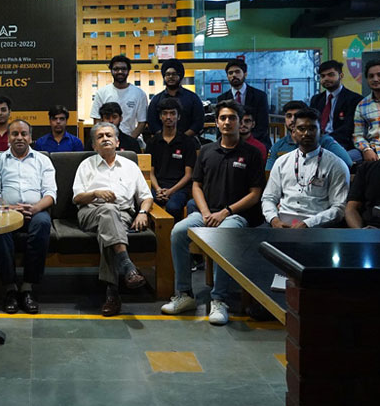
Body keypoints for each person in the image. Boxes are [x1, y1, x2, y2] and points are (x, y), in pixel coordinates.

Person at [161, 100, 264, 326]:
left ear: (240, 122)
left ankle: (219, 299)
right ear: (216, 122)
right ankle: (184, 294)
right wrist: (206, 211)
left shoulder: (252, 153)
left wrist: (226, 212)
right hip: (206, 213)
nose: (227, 122)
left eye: (232, 118)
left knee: (223, 235)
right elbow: (196, 185)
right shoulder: (207, 151)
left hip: (236, 216)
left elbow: (255, 194)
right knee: (178, 231)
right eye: (223, 118)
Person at [73, 122, 153, 317]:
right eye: (100, 137)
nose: (105, 139)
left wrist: (143, 212)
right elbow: (77, 198)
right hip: (90, 212)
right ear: (94, 145)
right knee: (108, 212)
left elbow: (146, 197)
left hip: (123, 214)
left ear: (117, 142)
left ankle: (113, 293)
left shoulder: (130, 166)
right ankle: (127, 266)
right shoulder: (86, 165)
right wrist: (95, 193)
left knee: (108, 226)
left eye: (109, 135)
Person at [0, 119, 55, 314]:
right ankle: (10, 288)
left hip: (36, 211)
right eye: (15, 134)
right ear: (8, 138)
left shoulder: (43, 160)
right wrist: (10, 208)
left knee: (43, 224)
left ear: (30, 138)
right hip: (7, 212)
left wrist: (35, 208)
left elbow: (50, 194)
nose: (19, 137)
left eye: (24, 134)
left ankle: (27, 287)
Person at [261, 108, 350, 228]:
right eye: (301, 129)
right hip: (281, 223)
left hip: (318, 226)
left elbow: (339, 208)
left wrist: (308, 224)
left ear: (321, 131)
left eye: (312, 128)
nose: (306, 133)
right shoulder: (282, 162)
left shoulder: (336, 165)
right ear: (293, 132)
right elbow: (268, 198)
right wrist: (274, 220)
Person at [146, 98, 198, 218]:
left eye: (172, 113)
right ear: (160, 117)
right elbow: (150, 172)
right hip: (157, 187)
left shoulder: (187, 142)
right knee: (147, 202)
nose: (168, 117)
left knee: (173, 207)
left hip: (179, 188)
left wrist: (171, 191)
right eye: (165, 113)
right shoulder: (153, 142)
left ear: (178, 117)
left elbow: (188, 175)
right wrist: (158, 189)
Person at [266, 101, 353, 171]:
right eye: (289, 116)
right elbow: (269, 172)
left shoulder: (324, 141)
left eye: (296, 116)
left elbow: (347, 162)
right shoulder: (278, 146)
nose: (292, 120)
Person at [309, 60, 362, 162]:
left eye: (331, 75)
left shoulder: (354, 99)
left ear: (341, 75)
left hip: (341, 143)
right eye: (323, 76)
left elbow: (348, 128)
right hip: (317, 142)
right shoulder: (316, 99)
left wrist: (325, 140)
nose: (326, 78)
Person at [89, 55, 148, 141]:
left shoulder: (139, 94)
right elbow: (97, 120)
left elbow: (142, 122)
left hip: (131, 139)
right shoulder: (101, 93)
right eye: (116, 69)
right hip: (106, 140)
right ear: (111, 71)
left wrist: (129, 141)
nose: (120, 72)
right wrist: (106, 139)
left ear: (128, 71)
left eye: (123, 69)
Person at [217, 59, 271, 150]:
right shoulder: (222, 98)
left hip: (256, 140)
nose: (234, 75)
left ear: (245, 74)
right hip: (230, 141)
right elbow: (220, 128)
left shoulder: (259, 96)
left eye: (237, 72)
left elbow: (262, 125)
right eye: (230, 73)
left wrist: (244, 141)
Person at [145, 59, 204, 139]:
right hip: (162, 142)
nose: (171, 77)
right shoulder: (156, 100)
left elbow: (198, 122)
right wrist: (166, 138)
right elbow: (152, 123)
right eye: (167, 74)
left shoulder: (192, 98)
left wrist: (182, 138)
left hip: (188, 141)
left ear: (180, 76)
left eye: (174, 74)